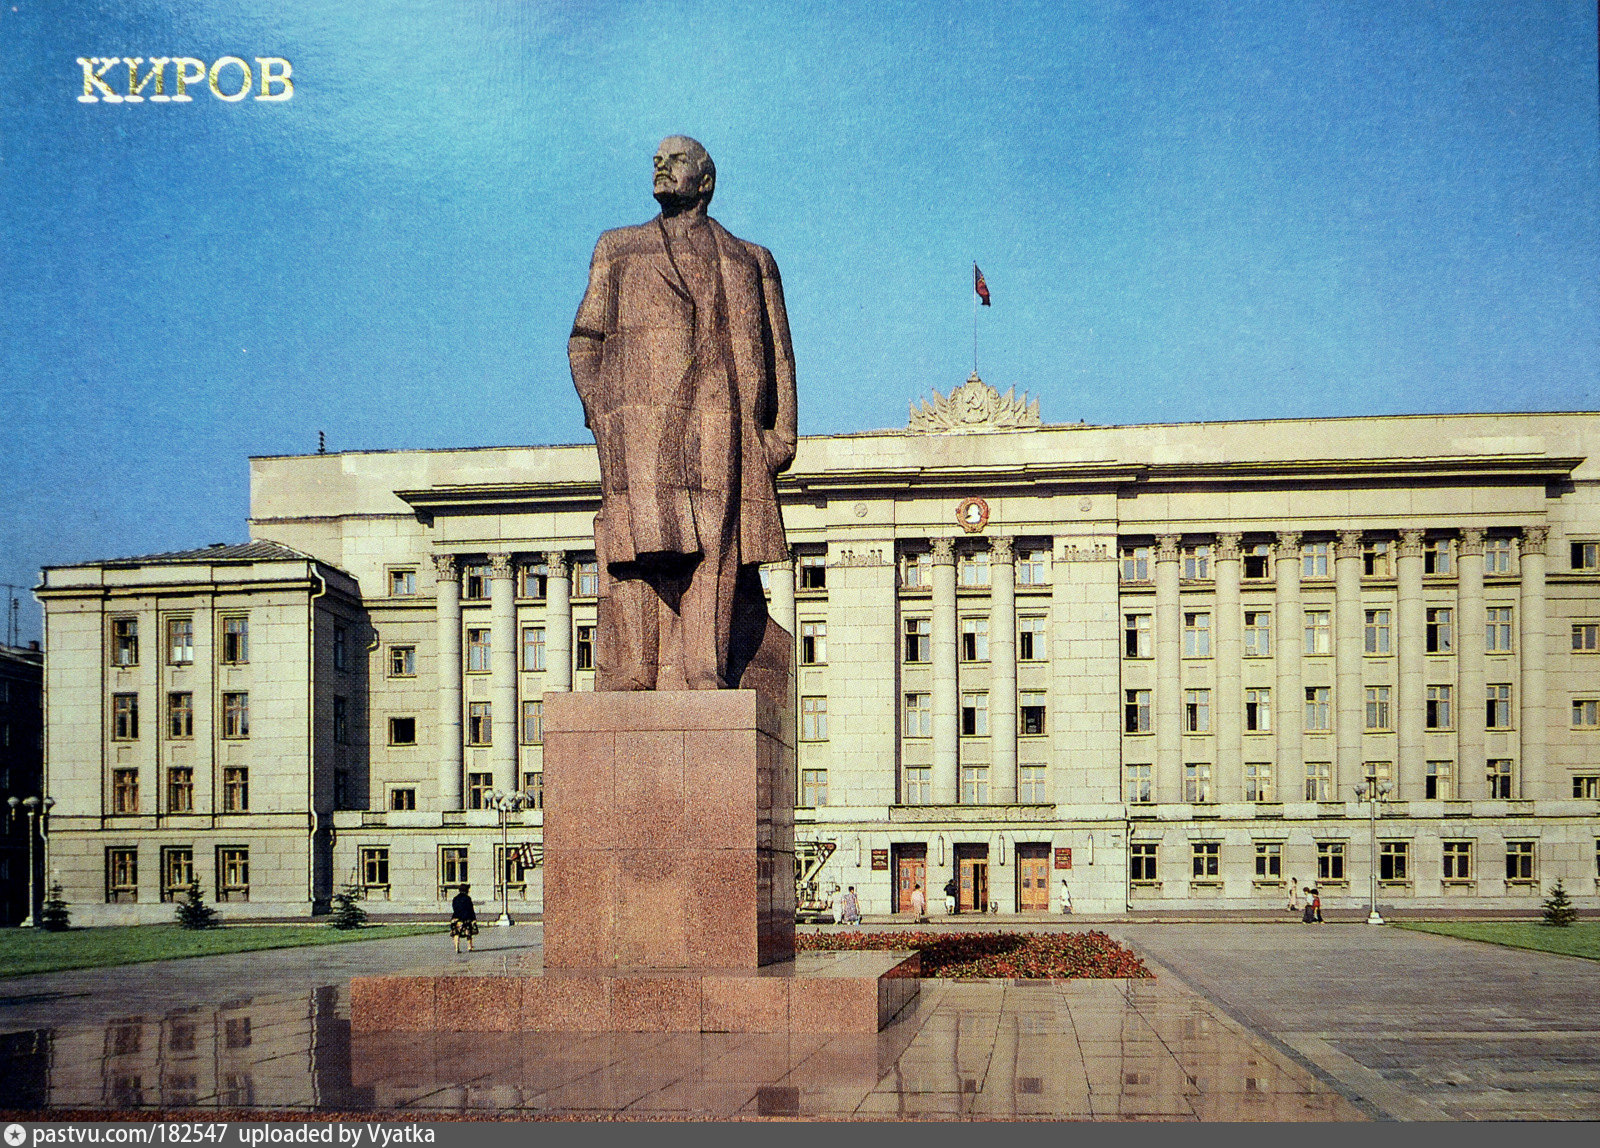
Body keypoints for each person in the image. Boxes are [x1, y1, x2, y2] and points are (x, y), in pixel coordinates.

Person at [569, 136, 798, 692]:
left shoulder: (751, 259)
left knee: (717, 544)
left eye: (675, 160)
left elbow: (780, 355)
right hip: (639, 428)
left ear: (706, 180)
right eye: (657, 159)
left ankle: (705, 667)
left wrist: (780, 434)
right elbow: (585, 339)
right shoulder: (618, 248)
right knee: (634, 544)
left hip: (724, 421)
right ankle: (632, 671)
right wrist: (605, 411)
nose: (660, 166)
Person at [450, 884, 478, 953]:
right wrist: (473, 918)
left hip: (456, 917)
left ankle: (457, 948)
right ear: (466, 890)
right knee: (468, 932)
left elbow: (454, 907)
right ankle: (469, 946)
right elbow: (470, 909)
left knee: (456, 933)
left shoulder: (455, 898)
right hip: (466, 917)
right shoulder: (468, 898)